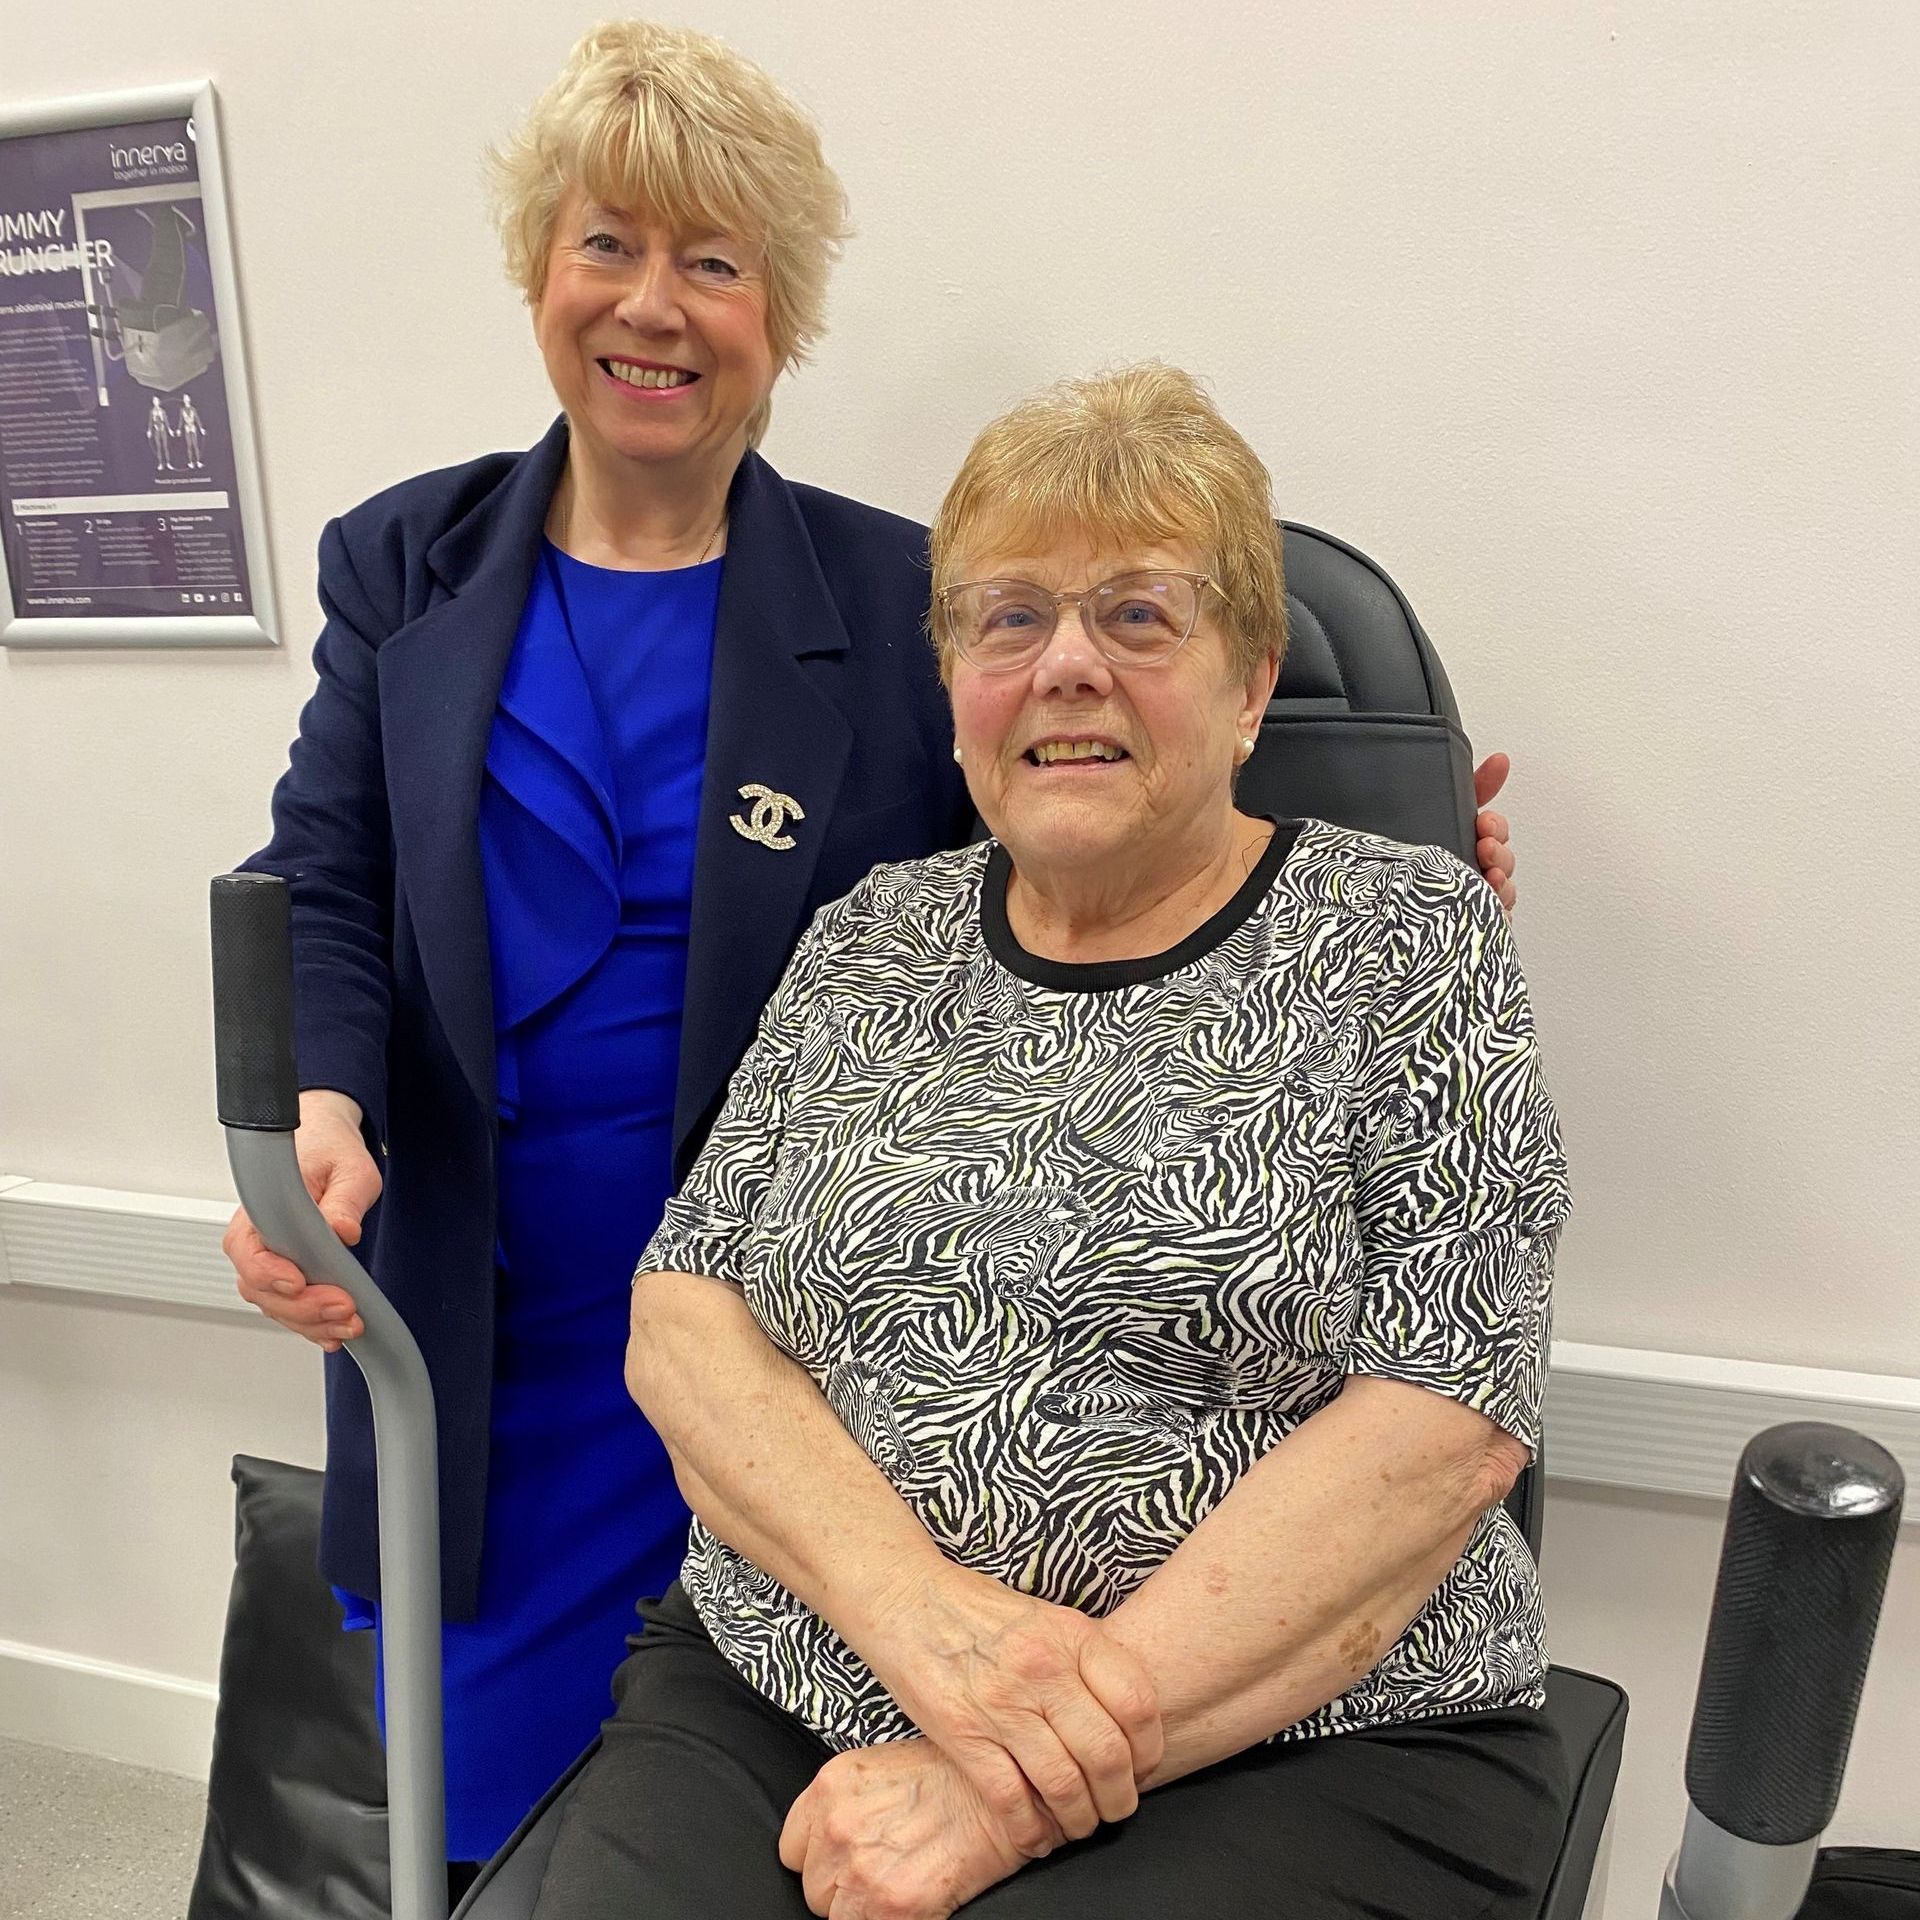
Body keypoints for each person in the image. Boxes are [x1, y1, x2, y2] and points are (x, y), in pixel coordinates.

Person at [223, 20, 1521, 1879]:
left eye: (713, 260)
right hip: (478, 1296)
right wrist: (320, 1102)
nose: (651, 306)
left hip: (810, 1330)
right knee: (518, 1823)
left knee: (779, 1761)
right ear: (538, 274)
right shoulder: (403, 565)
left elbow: (1069, 845)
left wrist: (1393, 874)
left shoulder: (902, 598)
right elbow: (326, 873)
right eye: (606, 245)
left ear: (784, 311)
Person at [533, 364, 1571, 1920]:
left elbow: (1445, 1422)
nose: (1066, 665)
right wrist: (922, 1624)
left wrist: (998, 1785)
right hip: (796, 1672)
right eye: (1008, 618)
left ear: (1251, 681)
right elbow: (687, 1320)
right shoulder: (872, 937)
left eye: (1141, 616)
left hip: (1303, 1733)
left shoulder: (1408, 936)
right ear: (955, 682)